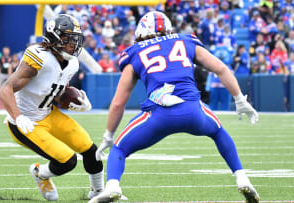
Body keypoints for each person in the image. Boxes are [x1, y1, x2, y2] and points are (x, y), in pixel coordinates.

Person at [90, 11, 260, 203]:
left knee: (119, 148)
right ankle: (242, 177)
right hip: (193, 111)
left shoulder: (135, 51)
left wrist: (108, 135)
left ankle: (112, 186)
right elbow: (221, 69)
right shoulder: (185, 41)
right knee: (218, 132)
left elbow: (119, 102)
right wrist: (240, 100)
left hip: (158, 115)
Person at [0, 14, 104, 201]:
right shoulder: (39, 58)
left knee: (91, 150)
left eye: (75, 39)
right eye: (68, 39)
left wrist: (75, 101)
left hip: (48, 113)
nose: (74, 44)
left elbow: (57, 92)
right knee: (67, 161)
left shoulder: (72, 63)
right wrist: (19, 116)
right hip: (25, 122)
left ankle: (98, 192)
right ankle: (40, 173)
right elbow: (5, 89)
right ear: (54, 38)